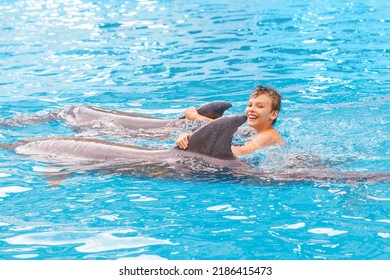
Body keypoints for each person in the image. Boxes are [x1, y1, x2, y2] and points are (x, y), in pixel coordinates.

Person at [176, 85, 284, 155]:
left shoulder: (268, 135)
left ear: (273, 114)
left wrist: (205, 146)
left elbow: (242, 151)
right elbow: (220, 128)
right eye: (250, 105)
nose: (251, 109)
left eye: (259, 106)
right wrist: (192, 137)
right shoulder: (253, 130)